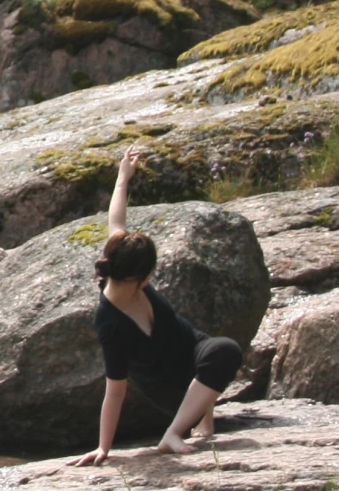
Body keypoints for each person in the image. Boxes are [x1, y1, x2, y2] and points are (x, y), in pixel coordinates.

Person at [66, 145, 245, 464]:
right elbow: (115, 391)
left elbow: (116, 217)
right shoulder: (110, 324)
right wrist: (103, 448)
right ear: (140, 277)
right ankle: (173, 432)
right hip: (169, 385)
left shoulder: (119, 254)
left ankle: (202, 415)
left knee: (225, 349)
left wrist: (123, 176)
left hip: (194, 349)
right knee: (214, 362)